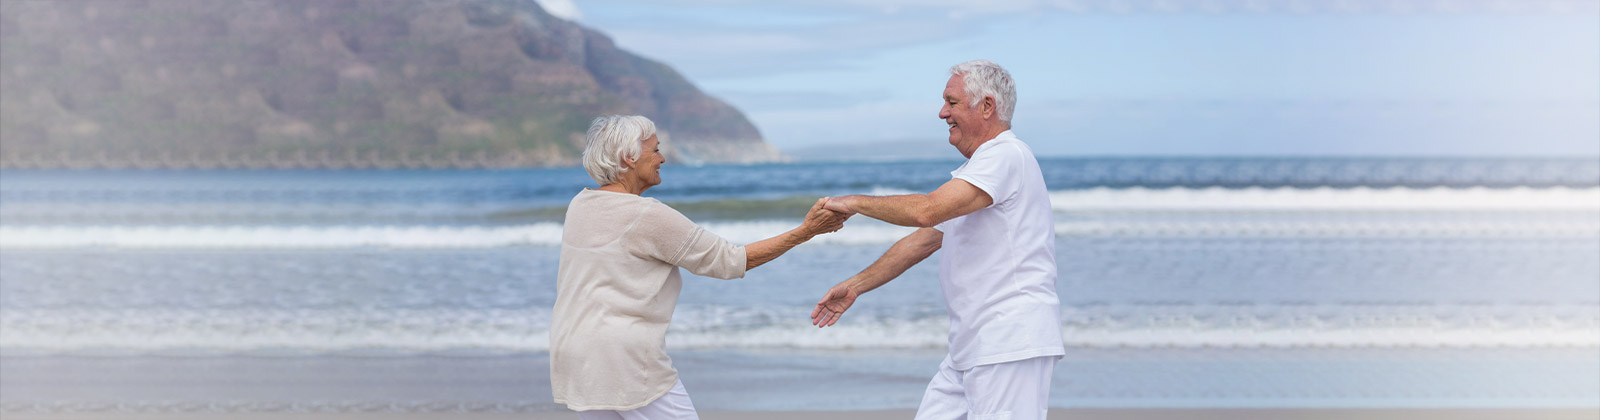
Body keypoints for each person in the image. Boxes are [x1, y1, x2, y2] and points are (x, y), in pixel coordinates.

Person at [812, 60, 1064, 420]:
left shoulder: (1006, 155)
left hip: (1009, 341)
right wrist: (855, 286)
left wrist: (852, 202)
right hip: (970, 346)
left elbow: (927, 210)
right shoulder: (979, 170)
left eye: (952, 102)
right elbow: (925, 240)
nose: (942, 112)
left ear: (987, 106)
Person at [550, 115, 848, 419]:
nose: (662, 158)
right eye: (654, 150)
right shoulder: (646, 215)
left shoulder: (580, 204)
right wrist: (806, 231)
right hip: (622, 356)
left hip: (573, 352)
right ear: (629, 158)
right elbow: (729, 261)